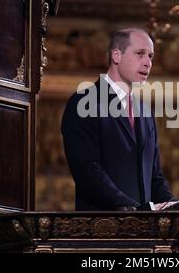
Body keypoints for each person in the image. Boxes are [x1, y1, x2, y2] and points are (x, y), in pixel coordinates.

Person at [61, 28, 173, 211]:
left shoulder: (145, 112)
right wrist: (135, 210)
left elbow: (155, 177)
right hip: (102, 228)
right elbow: (88, 171)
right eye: (140, 54)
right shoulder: (83, 102)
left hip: (144, 231)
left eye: (151, 56)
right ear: (116, 56)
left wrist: (174, 207)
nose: (148, 63)